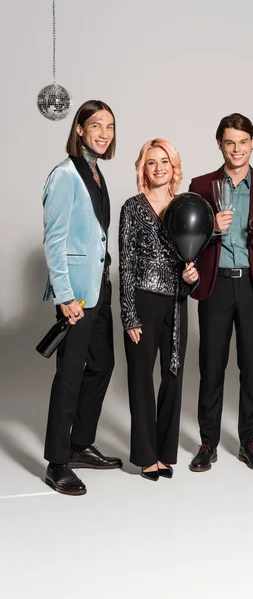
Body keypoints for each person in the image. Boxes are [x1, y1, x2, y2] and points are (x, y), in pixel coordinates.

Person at [188, 113, 253, 473]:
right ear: (220, 145)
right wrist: (211, 230)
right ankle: (207, 444)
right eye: (230, 142)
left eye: (243, 142)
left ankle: (250, 443)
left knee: (252, 368)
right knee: (211, 366)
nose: (237, 149)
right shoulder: (200, 185)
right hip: (214, 286)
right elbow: (187, 242)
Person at [42, 100, 122, 496]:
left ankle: (79, 444)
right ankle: (57, 463)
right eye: (96, 125)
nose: (104, 133)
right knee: (70, 375)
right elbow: (54, 240)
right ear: (78, 128)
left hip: (100, 287)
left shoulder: (96, 171)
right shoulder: (65, 175)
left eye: (110, 126)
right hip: (75, 293)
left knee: (102, 364)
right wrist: (64, 295)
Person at [119, 139, 198, 481]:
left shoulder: (186, 206)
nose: (158, 167)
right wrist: (128, 313)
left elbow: (192, 258)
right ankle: (145, 455)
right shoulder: (132, 207)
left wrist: (192, 278)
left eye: (164, 161)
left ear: (174, 166)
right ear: (143, 169)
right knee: (140, 378)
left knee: (173, 376)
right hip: (143, 297)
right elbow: (124, 263)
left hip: (177, 299)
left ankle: (165, 454)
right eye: (151, 162)